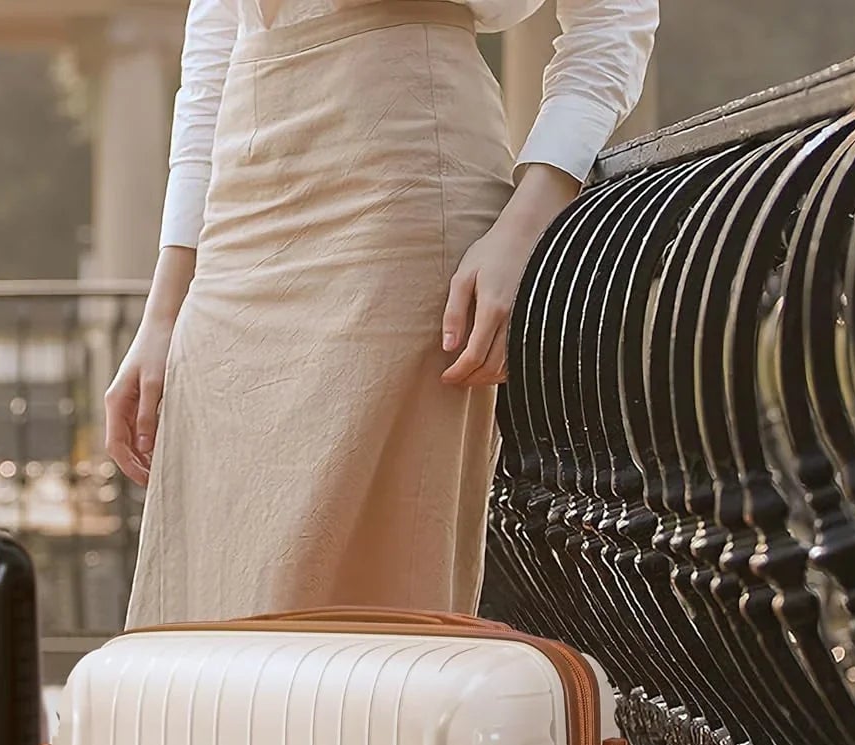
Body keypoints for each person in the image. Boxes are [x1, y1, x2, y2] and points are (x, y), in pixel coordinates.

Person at [108, 0, 657, 625]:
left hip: (401, 196)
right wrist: (163, 314)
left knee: (354, 622)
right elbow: (209, 61)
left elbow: (614, 16)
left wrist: (528, 223)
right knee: (209, 606)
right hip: (239, 220)